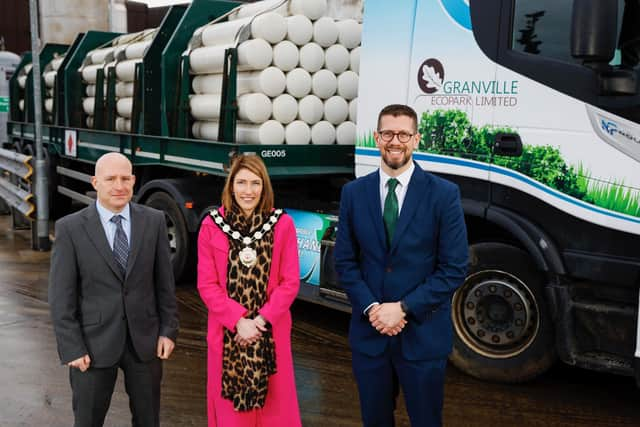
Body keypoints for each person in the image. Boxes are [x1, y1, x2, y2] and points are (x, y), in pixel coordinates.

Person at [334, 104, 468, 427]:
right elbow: (345, 261)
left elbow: (455, 267)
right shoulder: (353, 193)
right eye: (388, 134)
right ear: (377, 138)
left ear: (417, 139)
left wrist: (404, 308)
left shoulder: (444, 195)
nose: (396, 141)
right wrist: (371, 309)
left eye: (404, 134)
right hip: (370, 337)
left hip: (422, 339)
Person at [49, 152, 179, 427]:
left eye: (125, 178)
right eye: (110, 179)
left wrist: (168, 330)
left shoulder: (154, 221)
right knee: (88, 420)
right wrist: (72, 347)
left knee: (148, 420)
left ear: (133, 180)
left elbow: (165, 284)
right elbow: (62, 297)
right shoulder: (70, 228)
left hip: (145, 343)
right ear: (96, 182)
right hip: (92, 346)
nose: (119, 186)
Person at [197, 154, 302, 427]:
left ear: (264, 187)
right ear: (230, 185)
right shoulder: (211, 225)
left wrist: (259, 322)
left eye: (255, 183)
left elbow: (290, 282)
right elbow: (207, 285)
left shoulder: (282, 225)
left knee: (275, 414)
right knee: (232, 417)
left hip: (271, 335)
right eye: (241, 182)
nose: (248, 191)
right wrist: (237, 321)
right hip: (227, 335)